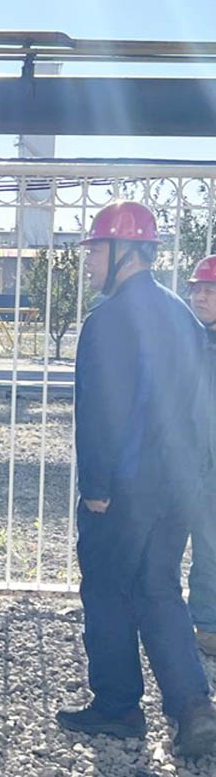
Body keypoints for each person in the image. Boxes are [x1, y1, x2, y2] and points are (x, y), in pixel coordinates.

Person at [56, 201, 216, 758]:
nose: (90, 262)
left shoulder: (108, 320)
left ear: (123, 251)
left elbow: (101, 411)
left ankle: (118, 706)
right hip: (177, 487)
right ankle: (194, 708)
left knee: (106, 590)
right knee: (159, 589)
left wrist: (96, 487)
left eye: (96, 251)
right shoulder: (180, 314)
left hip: (124, 492)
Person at [186, 254, 216, 657]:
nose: (200, 297)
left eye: (210, 291)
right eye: (197, 290)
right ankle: (205, 624)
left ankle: (208, 623)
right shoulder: (188, 339)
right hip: (189, 461)